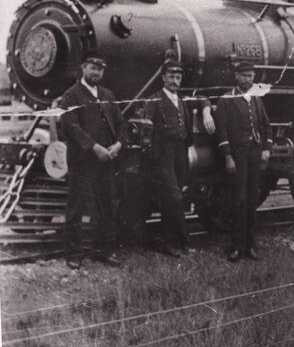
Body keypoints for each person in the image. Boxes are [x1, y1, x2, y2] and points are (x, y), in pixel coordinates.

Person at [60, 50, 129, 268]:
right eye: (93, 67)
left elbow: (121, 124)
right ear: (84, 68)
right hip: (83, 160)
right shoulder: (71, 95)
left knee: (106, 205)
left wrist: (118, 144)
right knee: (77, 207)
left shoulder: (108, 95)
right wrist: (94, 147)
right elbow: (71, 127)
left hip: (106, 160)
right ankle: (73, 253)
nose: (96, 72)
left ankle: (103, 251)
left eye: (100, 69)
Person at [215, 61, 272, 262]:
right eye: (244, 75)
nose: (248, 79)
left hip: (255, 154)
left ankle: (251, 246)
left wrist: (266, 148)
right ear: (236, 76)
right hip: (238, 156)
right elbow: (221, 131)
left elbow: (266, 125)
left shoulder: (257, 99)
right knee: (238, 200)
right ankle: (237, 247)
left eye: (251, 75)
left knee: (252, 200)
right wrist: (228, 156)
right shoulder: (226, 100)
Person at [141, 60, 194, 257]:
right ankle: (176, 241)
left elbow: (187, 126)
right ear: (163, 78)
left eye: (178, 77)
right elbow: (146, 129)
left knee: (175, 195)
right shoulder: (154, 100)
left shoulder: (181, 100)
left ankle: (173, 241)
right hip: (162, 154)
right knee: (173, 197)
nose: (174, 80)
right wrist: (154, 154)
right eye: (171, 77)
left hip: (180, 151)